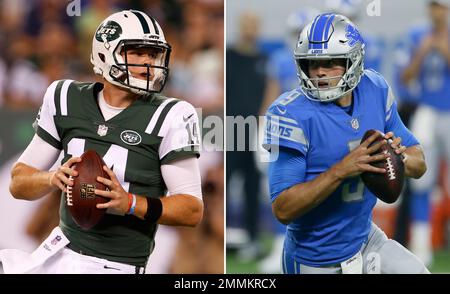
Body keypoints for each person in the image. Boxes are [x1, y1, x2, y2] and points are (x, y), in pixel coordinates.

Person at [1, 10, 203, 274]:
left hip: (116, 265)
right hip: (59, 251)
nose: (148, 63)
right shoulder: (65, 97)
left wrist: (130, 203)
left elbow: (192, 210)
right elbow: (18, 183)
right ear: (106, 54)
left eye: (153, 54)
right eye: (137, 52)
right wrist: (52, 178)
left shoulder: (173, 115)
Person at [263, 13, 429, 274]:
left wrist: (397, 157)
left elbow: (419, 162)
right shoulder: (290, 113)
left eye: (331, 62)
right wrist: (341, 170)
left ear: (354, 60)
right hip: (315, 258)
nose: (319, 72)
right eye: (312, 64)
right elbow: (283, 209)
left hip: (365, 240)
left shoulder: (374, 88)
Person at [400, 0, 450, 267]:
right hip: (427, 110)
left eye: (440, 7)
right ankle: (421, 248)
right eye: (433, 6)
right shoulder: (417, 35)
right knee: (420, 180)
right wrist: (421, 53)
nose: (436, 12)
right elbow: (405, 78)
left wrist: (444, 50)